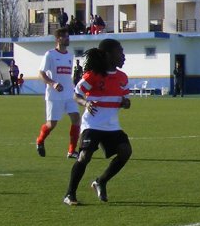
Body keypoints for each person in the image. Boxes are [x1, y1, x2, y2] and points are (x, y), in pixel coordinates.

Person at [62, 38, 131, 206]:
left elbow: (126, 100)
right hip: (92, 124)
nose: (123, 56)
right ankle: (70, 194)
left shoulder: (122, 77)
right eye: (120, 52)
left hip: (112, 126)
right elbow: (76, 95)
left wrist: (126, 102)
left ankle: (101, 181)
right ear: (108, 55)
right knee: (84, 156)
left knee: (125, 152)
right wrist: (85, 103)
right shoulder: (92, 75)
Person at [35, 28, 82, 158]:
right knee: (52, 124)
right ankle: (40, 140)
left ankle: (71, 151)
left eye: (68, 36)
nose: (68, 39)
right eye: (65, 37)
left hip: (69, 94)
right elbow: (41, 74)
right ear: (58, 39)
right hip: (54, 96)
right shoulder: (50, 55)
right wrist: (53, 84)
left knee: (76, 119)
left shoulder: (69, 55)